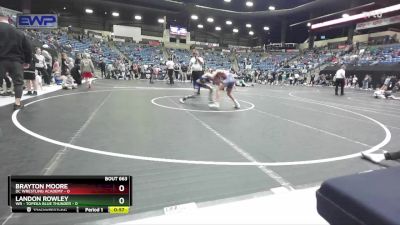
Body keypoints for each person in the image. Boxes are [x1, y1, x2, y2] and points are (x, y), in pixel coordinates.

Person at [0, 12, 32, 110]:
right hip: (16, 61)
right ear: (8, 19)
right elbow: (28, 48)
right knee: (18, 83)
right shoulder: (19, 32)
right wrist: (27, 61)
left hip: (1, 60)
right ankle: (17, 104)